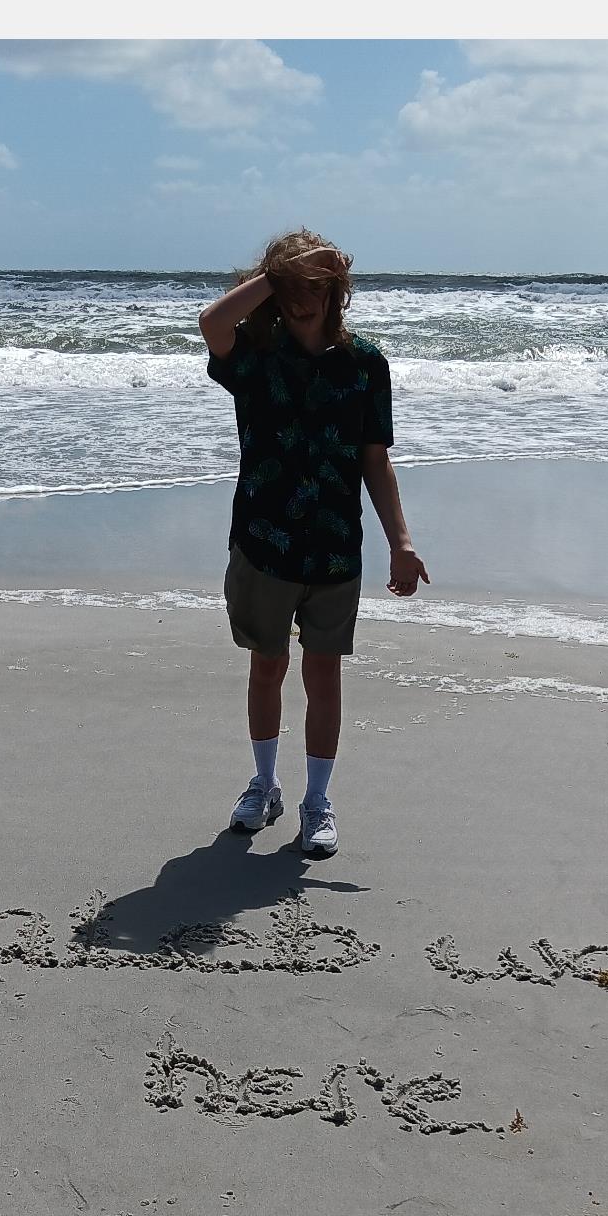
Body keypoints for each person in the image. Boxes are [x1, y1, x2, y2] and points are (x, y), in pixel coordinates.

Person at [200, 228, 429, 858]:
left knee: (323, 673)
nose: (303, 302)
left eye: (316, 288)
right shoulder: (255, 357)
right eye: (291, 290)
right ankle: (265, 784)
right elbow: (211, 323)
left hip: (334, 545)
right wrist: (282, 272)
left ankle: (317, 800)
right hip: (263, 542)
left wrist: (401, 541)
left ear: (336, 291)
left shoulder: (365, 365)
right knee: (267, 665)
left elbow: (375, 460)